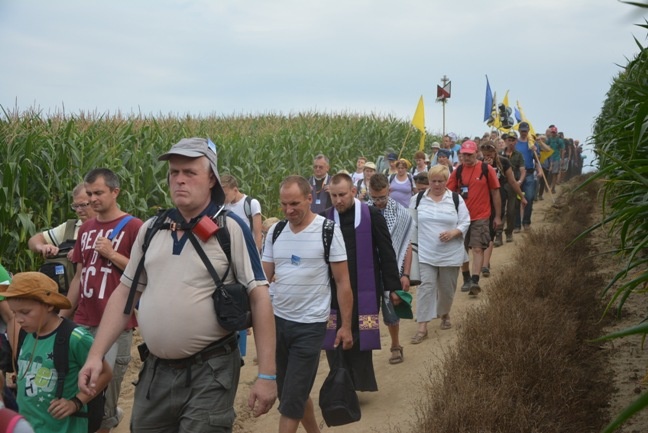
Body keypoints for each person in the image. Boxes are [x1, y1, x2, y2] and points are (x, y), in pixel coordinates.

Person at [78, 137, 277, 432]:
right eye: (174, 173)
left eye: (190, 172)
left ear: (211, 178)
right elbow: (124, 294)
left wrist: (267, 376)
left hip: (211, 370)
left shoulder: (229, 230)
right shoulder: (151, 230)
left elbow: (260, 298)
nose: (179, 180)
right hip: (156, 371)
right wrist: (95, 355)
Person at [262, 175, 353, 433]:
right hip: (278, 323)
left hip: (310, 326)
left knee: (291, 400)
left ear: (310, 199)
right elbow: (263, 279)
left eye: (295, 204)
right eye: (283, 204)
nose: (289, 210)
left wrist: (345, 326)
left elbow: (343, 282)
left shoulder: (328, 230)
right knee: (290, 392)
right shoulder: (276, 232)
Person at [62, 168, 142, 433]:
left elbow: (144, 274)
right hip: (84, 320)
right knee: (79, 388)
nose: (93, 199)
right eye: (89, 194)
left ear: (115, 192)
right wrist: (63, 315)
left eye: (98, 193)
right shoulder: (85, 229)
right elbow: (78, 277)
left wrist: (112, 254)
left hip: (116, 326)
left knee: (103, 396)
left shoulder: (134, 227)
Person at [1, 272, 112, 433]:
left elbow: (105, 374)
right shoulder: (26, 334)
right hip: (31, 425)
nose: (18, 319)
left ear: (49, 305)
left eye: (25, 312)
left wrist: (75, 402)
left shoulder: (75, 338)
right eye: (14, 313)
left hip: (64, 428)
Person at [325, 174, 401, 388]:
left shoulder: (372, 215)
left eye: (342, 195)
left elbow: (386, 252)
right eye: (334, 196)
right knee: (334, 332)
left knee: (358, 333)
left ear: (353, 192)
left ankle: (357, 381)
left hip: (364, 288)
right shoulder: (325, 219)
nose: (338, 200)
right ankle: (341, 381)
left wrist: (392, 287)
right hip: (332, 289)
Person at [409, 165, 471, 340]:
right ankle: (422, 326)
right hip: (425, 253)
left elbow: (465, 221)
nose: (436, 184)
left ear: (446, 181)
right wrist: (411, 250)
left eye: (440, 181)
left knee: (446, 289)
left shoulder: (455, 199)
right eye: (433, 181)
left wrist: (454, 232)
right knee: (425, 288)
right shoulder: (418, 199)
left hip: (450, 254)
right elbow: (411, 223)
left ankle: (444, 313)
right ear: (429, 181)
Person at [367, 173, 413, 364]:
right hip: (368, 268)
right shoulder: (362, 211)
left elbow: (407, 244)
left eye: (382, 197)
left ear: (389, 191)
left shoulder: (401, 213)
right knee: (366, 311)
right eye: (374, 197)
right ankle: (365, 351)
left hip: (391, 268)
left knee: (391, 306)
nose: (378, 202)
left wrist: (405, 274)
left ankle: (395, 345)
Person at [446, 141, 501, 296]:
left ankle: (475, 281)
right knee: (461, 249)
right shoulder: (457, 171)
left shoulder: (486, 169)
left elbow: (495, 192)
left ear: (477, 153)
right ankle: (466, 278)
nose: (467, 157)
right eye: (464, 154)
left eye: (470, 154)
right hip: (461, 217)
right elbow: (448, 193)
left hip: (481, 215)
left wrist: (497, 216)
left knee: (477, 248)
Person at [479, 142, 528, 275]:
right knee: (481, 232)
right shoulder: (478, 163)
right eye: (485, 155)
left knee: (490, 230)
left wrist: (521, 197)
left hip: (498, 199)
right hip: (481, 200)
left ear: (495, 153)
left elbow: (512, 181)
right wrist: (484, 166)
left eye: (490, 154)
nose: (487, 157)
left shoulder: (504, 162)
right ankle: (483, 260)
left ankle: (484, 265)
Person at [28, 183, 96, 261]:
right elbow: (34, 240)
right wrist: (43, 247)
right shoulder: (70, 227)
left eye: (83, 205)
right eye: (75, 206)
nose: (78, 210)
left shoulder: (109, 227)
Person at [221, 174, 263, 252]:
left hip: (248, 249)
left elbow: (258, 234)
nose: (223, 198)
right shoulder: (224, 207)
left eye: (225, 195)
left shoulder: (251, 204)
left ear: (235, 190)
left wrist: (256, 253)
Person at [499, 132, 526, 243]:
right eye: (509, 140)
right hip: (500, 184)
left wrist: (520, 181)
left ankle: (509, 232)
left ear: (516, 141)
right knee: (500, 210)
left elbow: (523, 170)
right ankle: (498, 234)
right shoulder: (500, 154)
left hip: (513, 184)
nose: (510, 142)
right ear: (506, 141)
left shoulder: (518, 155)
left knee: (510, 210)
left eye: (513, 140)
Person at [515, 122, 541, 230]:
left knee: (529, 198)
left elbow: (537, 160)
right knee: (516, 200)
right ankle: (516, 225)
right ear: (519, 131)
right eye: (522, 130)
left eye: (525, 130)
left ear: (528, 130)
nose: (524, 132)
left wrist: (539, 171)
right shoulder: (515, 143)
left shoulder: (533, 144)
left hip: (530, 173)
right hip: (517, 174)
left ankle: (526, 222)